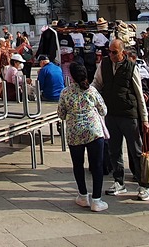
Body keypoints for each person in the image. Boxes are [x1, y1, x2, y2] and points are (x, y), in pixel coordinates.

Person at [94, 39, 149, 201]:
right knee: (114, 150)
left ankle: (144, 185)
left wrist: (144, 119)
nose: (111, 55)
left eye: (114, 52)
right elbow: (97, 83)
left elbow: (139, 94)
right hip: (111, 114)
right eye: (109, 52)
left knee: (136, 151)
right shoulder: (104, 64)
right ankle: (119, 182)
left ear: (123, 53)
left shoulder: (131, 67)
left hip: (129, 114)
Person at [57, 61, 108, 212]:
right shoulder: (92, 91)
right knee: (97, 165)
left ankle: (83, 195)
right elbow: (103, 110)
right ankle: (96, 199)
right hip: (94, 131)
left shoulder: (65, 92)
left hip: (75, 133)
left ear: (71, 76)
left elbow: (61, 114)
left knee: (78, 165)